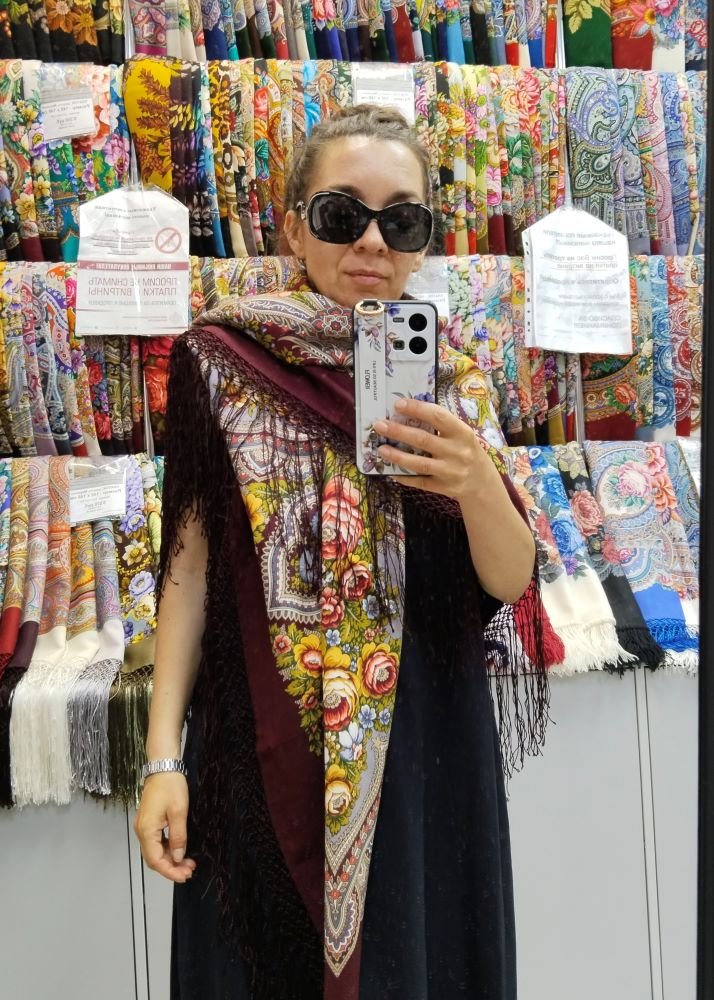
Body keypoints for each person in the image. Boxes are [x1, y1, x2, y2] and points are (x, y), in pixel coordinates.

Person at [134, 104, 549, 1000]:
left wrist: (477, 483)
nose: (370, 241)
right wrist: (162, 758)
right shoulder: (221, 364)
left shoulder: (454, 379)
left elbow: (510, 580)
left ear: (423, 241)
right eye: (340, 213)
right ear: (293, 227)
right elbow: (188, 574)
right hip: (260, 743)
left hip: (423, 751)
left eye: (401, 220)